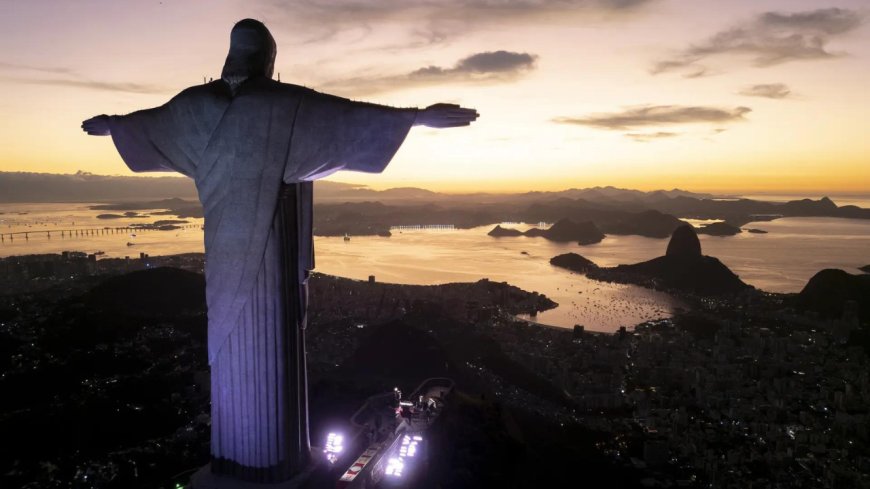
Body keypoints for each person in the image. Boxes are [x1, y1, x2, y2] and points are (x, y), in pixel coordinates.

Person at [81, 18, 477, 485]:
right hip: (269, 254)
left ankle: (237, 459)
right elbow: (345, 119)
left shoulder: (193, 107)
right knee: (269, 341)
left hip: (221, 257)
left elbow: (148, 125)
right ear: (268, 58)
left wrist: (111, 126)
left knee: (232, 348)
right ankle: (273, 463)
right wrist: (415, 117)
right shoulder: (279, 105)